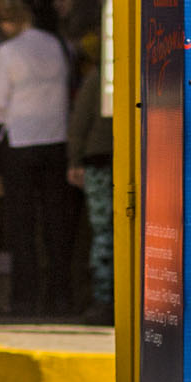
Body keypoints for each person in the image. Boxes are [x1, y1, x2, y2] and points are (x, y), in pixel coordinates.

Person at [0, 0, 74, 315]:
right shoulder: (55, 44)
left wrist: (6, 116)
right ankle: (60, 294)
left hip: (20, 140)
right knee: (55, 220)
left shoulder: (8, 51)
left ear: (7, 20)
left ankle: (24, 297)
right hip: (56, 137)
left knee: (22, 223)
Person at [67, 26, 114, 325]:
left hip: (99, 161)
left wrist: (74, 159)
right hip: (103, 160)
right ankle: (104, 297)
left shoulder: (98, 78)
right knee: (106, 235)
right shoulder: (102, 78)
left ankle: (104, 298)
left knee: (104, 234)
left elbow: (78, 122)